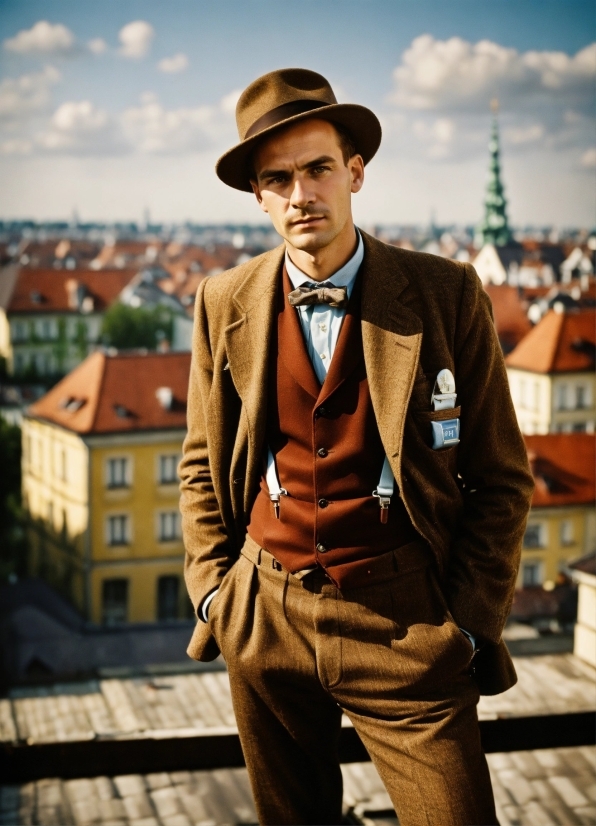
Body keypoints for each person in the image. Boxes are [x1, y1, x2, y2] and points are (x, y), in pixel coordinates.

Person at [179, 68, 534, 826]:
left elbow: (503, 479)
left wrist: (467, 623)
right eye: (278, 178)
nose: (300, 193)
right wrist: (216, 590)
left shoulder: (445, 291)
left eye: (316, 168)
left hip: (407, 623)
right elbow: (199, 464)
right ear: (259, 197)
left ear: (356, 172)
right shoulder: (223, 298)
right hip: (264, 613)